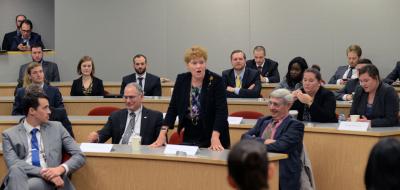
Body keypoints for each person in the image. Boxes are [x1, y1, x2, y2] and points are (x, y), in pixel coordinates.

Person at [151, 46, 230, 150]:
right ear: (187, 65)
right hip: (190, 133)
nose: (198, 66)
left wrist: (215, 137)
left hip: (214, 134)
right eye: (194, 63)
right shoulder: (182, 80)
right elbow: (173, 108)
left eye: (201, 62)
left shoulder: (216, 80)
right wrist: (162, 134)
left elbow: (222, 111)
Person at [1, 90, 85, 189]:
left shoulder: (57, 127)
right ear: (32, 111)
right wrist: (44, 172)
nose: (49, 111)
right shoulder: (9, 135)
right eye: (45, 108)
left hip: (51, 178)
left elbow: (79, 155)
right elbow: (13, 163)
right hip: (22, 178)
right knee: (16, 170)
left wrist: (59, 169)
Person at [242, 88, 304, 190]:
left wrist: (254, 141)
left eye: (276, 104)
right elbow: (244, 138)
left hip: (281, 174)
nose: (271, 107)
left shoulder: (295, 125)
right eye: (270, 103)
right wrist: (264, 141)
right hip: (257, 169)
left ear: (288, 105)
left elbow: (281, 146)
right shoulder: (263, 120)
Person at [87, 83, 163, 145]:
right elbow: (103, 134)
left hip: (142, 157)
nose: (128, 101)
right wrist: (96, 137)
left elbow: (161, 143)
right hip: (119, 155)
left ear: (142, 97)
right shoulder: (116, 116)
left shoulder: (155, 117)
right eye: (125, 97)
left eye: (131, 97)